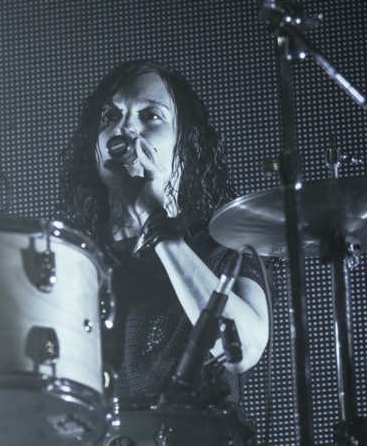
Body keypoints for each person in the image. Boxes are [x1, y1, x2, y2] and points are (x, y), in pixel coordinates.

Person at [58, 60, 269, 440]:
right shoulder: (72, 258)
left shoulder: (224, 245)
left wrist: (152, 216)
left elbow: (242, 349)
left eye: (150, 116)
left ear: (185, 148)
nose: (124, 129)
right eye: (111, 116)